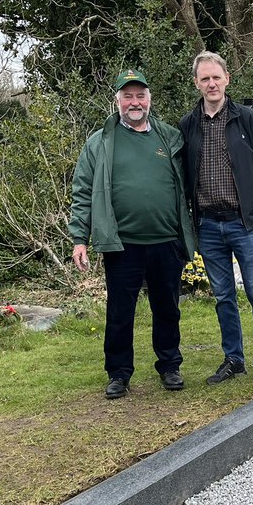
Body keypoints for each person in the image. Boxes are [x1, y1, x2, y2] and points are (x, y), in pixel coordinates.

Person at [70, 67, 195, 398]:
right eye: (128, 96)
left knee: (167, 308)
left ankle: (169, 365)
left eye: (140, 95)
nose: (135, 102)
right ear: (118, 101)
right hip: (122, 244)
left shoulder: (169, 138)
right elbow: (83, 191)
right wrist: (79, 238)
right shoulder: (99, 143)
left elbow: (189, 185)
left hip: (166, 240)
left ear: (149, 99)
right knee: (120, 312)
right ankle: (119, 373)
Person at [179, 51, 253, 386]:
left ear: (227, 78)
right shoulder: (188, 125)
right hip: (209, 226)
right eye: (204, 78)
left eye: (216, 77)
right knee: (224, 297)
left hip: (244, 224)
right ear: (196, 83)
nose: (211, 83)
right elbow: (184, 175)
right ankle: (234, 359)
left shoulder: (248, 118)